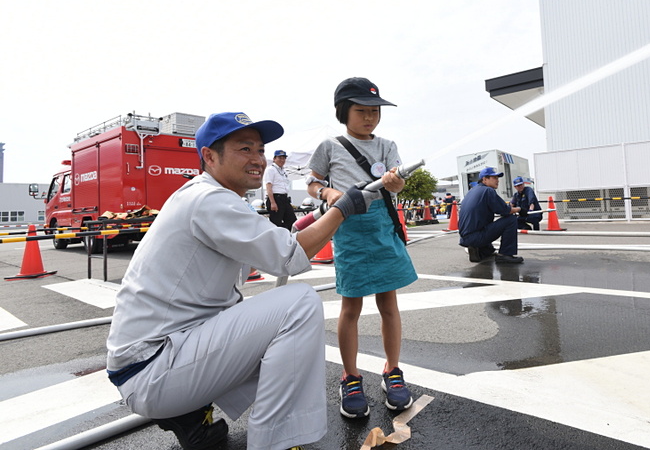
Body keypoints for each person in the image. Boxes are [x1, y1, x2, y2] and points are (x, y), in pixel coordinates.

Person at [106, 111, 381, 450]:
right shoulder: (209, 200)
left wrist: (321, 214)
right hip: (153, 369)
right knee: (299, 304)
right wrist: (343, 209)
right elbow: (287, 257)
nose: (258, 159)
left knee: (269, 333)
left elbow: (277, 240)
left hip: (153, 361)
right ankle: (275, 441)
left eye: (261, 150)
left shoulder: (205, 196)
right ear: (209, 155)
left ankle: (192, 416)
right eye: (244, 149)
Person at [306, 77, 417, 419]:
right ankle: (350, 377)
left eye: (375, 111)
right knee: (350, 307)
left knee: (389, 304)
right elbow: (311, 183)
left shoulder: (387, 145)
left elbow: (396, 183)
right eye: (362, 111)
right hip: (349, 229)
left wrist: (397, 183)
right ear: (344, 112)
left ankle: (392, 370)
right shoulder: (330, 146)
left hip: (383, 227)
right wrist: (327, 194)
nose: (370, 117)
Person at [458, 167, 524, 264]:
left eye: (497, 178)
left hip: (465, 238)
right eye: (494, 178)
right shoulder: (488, 191)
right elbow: (505, 211)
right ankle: (505, 254)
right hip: (476, 237)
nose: (497, 181)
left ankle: (485, 250)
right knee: (511, 219)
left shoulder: (472, 191)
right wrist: (520, 209)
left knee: (485, 221)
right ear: (485, 179)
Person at [265, 149, 296, 230]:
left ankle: (290, 239)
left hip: (284, 198)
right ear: (274, 159)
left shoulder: (283, 171)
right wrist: (272, 202)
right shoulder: (270, 170)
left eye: (284, 158)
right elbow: (268, 186)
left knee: (292, 221)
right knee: (276, 223)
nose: (282, 160)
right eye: (280, 158)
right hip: (275, 198)